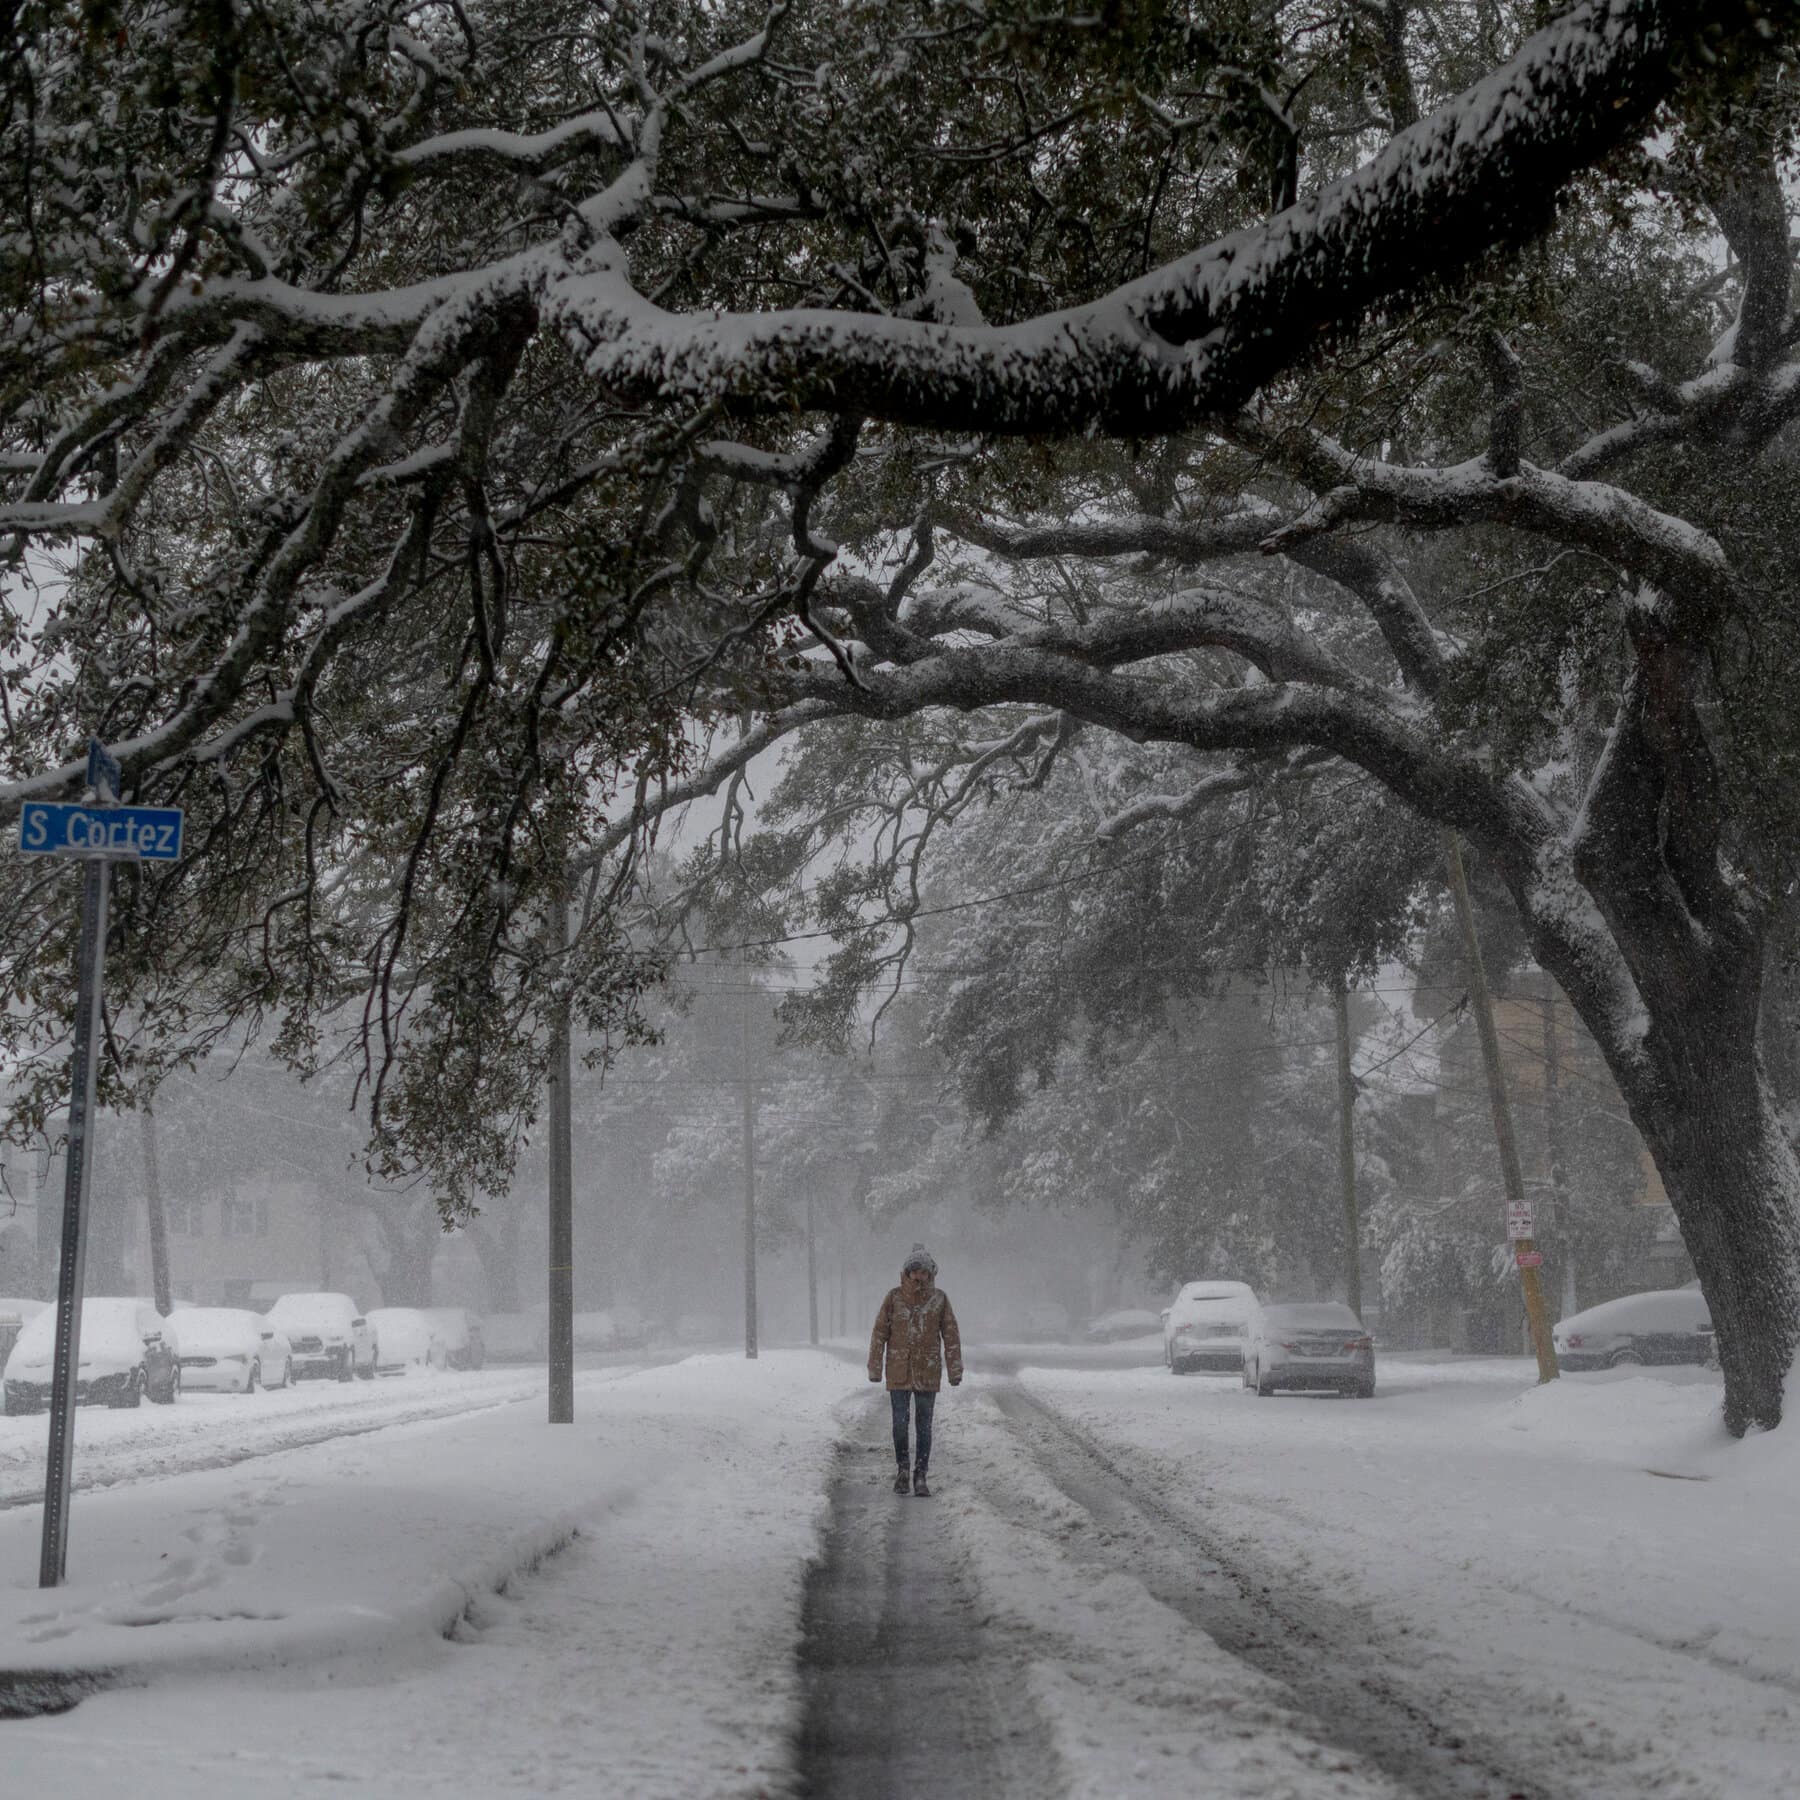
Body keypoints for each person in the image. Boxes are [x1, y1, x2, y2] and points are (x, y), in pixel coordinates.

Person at [867, 1243, 963, 1497]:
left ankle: (921, 1475)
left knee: (924, 1425)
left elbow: (951, 1336)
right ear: (908, 1272)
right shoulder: (894, 1297)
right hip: (898, 1371)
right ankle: (902, 1470)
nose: (920, 1275)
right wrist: (875, 1367)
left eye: (925, 1271)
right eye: (915, 1270)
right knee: (900, 1424)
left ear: (931, 1273)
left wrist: (955, 1370)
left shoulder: (940, 1299)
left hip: (928, 1372)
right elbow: (879, 1333)